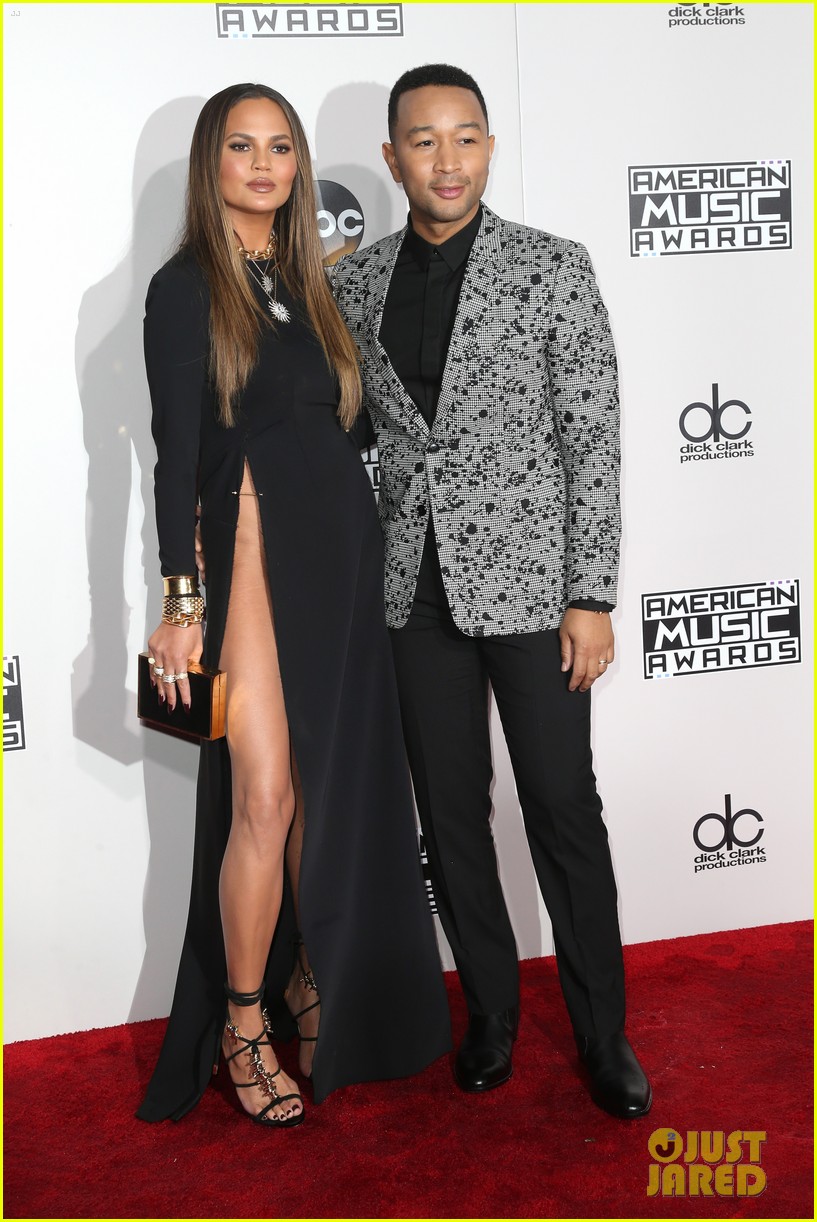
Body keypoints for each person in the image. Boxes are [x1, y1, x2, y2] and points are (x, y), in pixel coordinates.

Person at [332, 64, 651, 1118]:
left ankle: (603, 1034)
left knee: (561, 805)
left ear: (488, 148)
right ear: (392, 159)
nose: (448, 160)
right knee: (452, 818)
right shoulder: (354, 284)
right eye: (424, 141)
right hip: (411, 592)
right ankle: (492, 1017)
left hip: (534, 592)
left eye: (465, 137)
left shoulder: (552, 266)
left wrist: (590, 594)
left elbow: (591, 437)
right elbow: (346, 431)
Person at [136, 82, 450, 1129]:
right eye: (242, 146)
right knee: (265, 797)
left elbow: (349, 427)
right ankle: (241, 1021)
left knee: (328, 795)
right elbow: (175, 456)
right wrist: (181, 598)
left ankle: (314, 981)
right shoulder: (186, 288)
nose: (264, 165)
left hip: (340, 555)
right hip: (252, 556)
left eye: (280, 148)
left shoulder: (312, 282)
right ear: (211, 163)